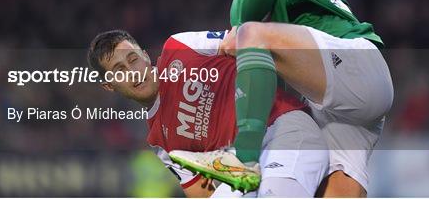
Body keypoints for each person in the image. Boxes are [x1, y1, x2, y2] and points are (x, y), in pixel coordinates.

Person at [172, 0, 394, 197]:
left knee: (250, 35)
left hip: (355, 64)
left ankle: (243, 159)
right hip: (330, 103)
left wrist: (239, 32)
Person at [87, 29, 329, 197]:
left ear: (145, 56)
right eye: (120, 70)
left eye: (133, 59)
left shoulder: (180, 47)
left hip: (280, 128)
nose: (133, 71)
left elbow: (245, 42)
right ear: (109, 85)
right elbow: (201, 194)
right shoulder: (161, 143)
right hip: (239, 167)